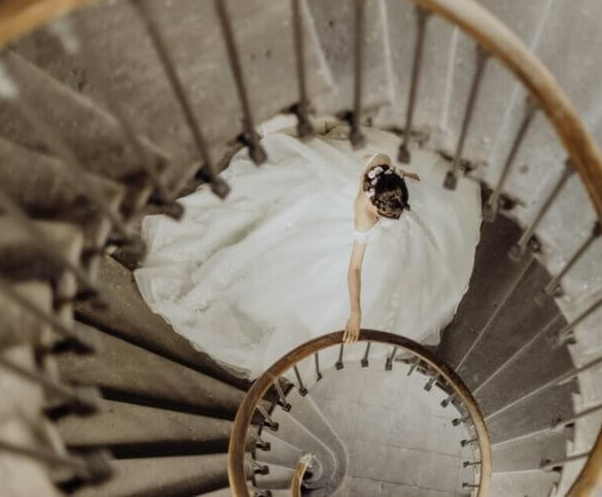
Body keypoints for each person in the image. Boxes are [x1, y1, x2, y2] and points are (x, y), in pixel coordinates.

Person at [134, 129, 481, 378]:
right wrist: (356, 312)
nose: (389, 218)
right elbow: (354, 270)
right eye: (385, 213)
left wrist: (402, 176)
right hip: (342, 230)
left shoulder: (381, 165)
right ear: (374, 205)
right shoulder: (363, 213)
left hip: (341, 193)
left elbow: (373, 165)